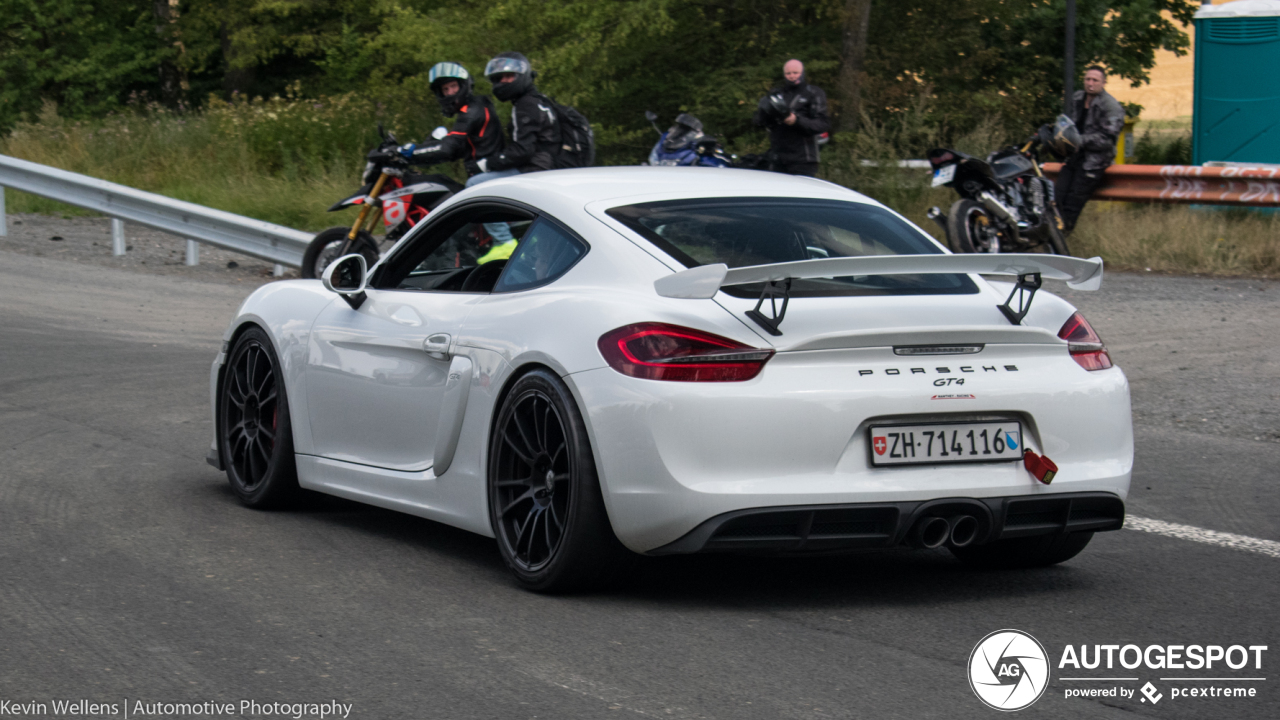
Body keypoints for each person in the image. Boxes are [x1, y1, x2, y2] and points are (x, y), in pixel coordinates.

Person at [466, 52, 561, 187]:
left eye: (509, 76)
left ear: (522, 76)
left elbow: (523, 151)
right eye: (499, 77)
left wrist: (485, 164)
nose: (503, 81)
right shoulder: (539, 100)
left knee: (474, 183)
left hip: (536, 169)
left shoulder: (525, 105)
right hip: (548, 166)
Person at [397, 62, 504, 176]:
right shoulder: (478, 105)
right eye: (445, 89)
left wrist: (408, 150)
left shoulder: (471, 111)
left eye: (453, 86)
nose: (450, 93)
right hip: (487, 171)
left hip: (489, 173)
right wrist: (425, 151)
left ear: (463, 85)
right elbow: (457, 150)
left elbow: (447, 148)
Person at [1054, 66, 1124, 234]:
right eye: (1088, 79)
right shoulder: (1077, 98)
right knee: (1055, 199)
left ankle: (1061, 241)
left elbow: (1108, 139)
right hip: (1073, 159)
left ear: (1103, 83)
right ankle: (1053, 239)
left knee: (1072, 204)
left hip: (1094, 162)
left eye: (1095, 80)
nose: (1090, 84)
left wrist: (1079, 140)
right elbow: (1068, 125)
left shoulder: (1111, 106)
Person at [753, 59, 830, 177]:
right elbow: (759, 121)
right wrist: (766, 114)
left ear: (803, 73)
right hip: (777, 156)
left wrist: (796, 120)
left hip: (803, 158)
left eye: (795, 73)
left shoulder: (814, 93)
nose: (792, 76)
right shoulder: (776, 93)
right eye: (788, 73)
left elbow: (822, 124)